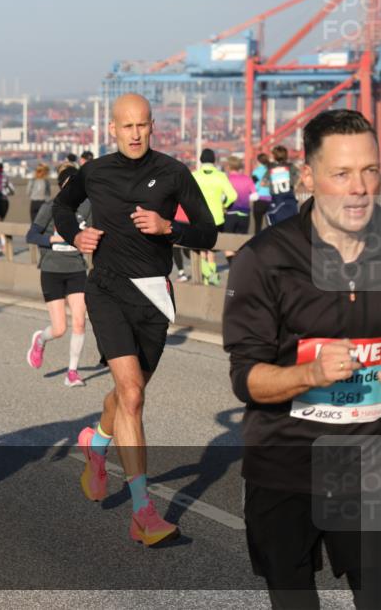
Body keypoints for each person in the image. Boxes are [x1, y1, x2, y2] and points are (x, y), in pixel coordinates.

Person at [223, 109, 380, 609]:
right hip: (286, 465)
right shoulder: (265, 260)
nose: (359, 188)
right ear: (308, 177)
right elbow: (246, 378)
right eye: (341, 173)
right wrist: (309, 373)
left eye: (370, 170)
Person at [53, 93, 217, 545]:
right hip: (106, 288)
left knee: (131, 395)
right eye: (126, 126)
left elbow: (208, 231)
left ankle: (97, 441)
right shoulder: (95, 171)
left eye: (142, 125)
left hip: (154, 296)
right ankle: (143, 512)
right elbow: (61, 208)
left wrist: (170, 229)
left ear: (152, 126)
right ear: (112, 129)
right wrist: (76, 233)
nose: (135, 133)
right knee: (131, 393)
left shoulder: (172, 173)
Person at [25, 166, 90, 387]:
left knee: (80, 322)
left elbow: (98, 229)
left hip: (77, 269)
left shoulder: (88, 206)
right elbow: (31, 235)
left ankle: (72, 372)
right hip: (52, 270)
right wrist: (52, 240)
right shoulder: (50, 207)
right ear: (62, 186)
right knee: (60, 329)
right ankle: (40, 340)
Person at [193, 148, 237, 285]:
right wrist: (224, 204)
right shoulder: (220, 176)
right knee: (211, 250)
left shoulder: (194, 175)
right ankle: (211, 279)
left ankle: (209, 276)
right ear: (214, 160)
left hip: (199, 217)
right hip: (217, 218)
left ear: (201, 160)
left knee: (200, 250)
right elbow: (233, 195)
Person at [224, 155, 255, 265]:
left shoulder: (227, 179)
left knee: (227, 243)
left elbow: (223, 197)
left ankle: (232, 265)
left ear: (229, 166)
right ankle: (240, 265)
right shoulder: (247, 179)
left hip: (230, 213)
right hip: (245, 214)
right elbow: (254, 196)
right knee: (240, 242)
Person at [263, 145, 300, 226]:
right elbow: (300, 175)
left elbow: (263, 183)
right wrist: (295, 184)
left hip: (276, 200)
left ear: (274, 156)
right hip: (290, 199)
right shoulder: (290, 167)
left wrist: (271, 184)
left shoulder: (271, 169)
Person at [251, 152, 272, 232]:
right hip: (270, 199)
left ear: (258, 161)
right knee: (270, 224)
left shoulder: (256, 172)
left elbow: (254, 186)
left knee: (258, 225)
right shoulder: (270, 170)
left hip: (259, 199)